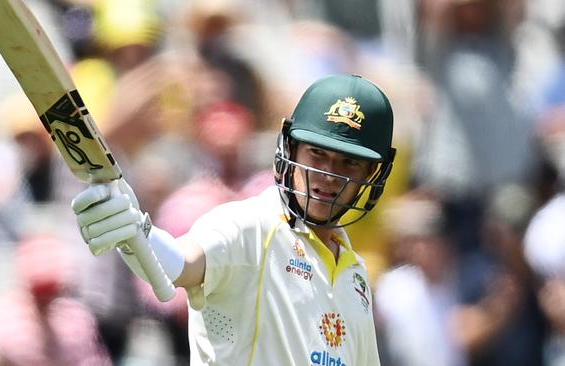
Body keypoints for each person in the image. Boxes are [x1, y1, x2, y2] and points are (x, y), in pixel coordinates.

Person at [72, 74, 396, 365]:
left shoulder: (356, 275)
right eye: (318, 154)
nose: (329, 176)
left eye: (348, 163)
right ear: (291, 149)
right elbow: (178, 262)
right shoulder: (251, 226)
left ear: (372, 173)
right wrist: (135, 235)